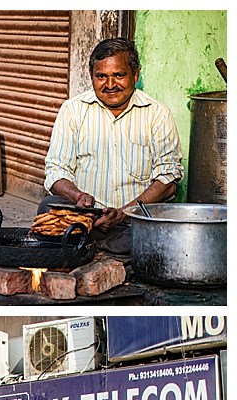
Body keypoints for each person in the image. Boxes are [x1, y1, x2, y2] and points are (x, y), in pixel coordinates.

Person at [41, 38, 183, 253]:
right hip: (86, 217)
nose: (110, 85)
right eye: (101, 77)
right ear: (91, 77)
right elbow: (56, 170)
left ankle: (91, 246)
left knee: (155, 230)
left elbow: (169, 179)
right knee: (48, 207)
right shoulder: (73, 110)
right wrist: (78, 197)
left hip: (131, 221)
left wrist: (124, 212)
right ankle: (99, 245)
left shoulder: (157, 114)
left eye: (119, 75)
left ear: (135, 75)